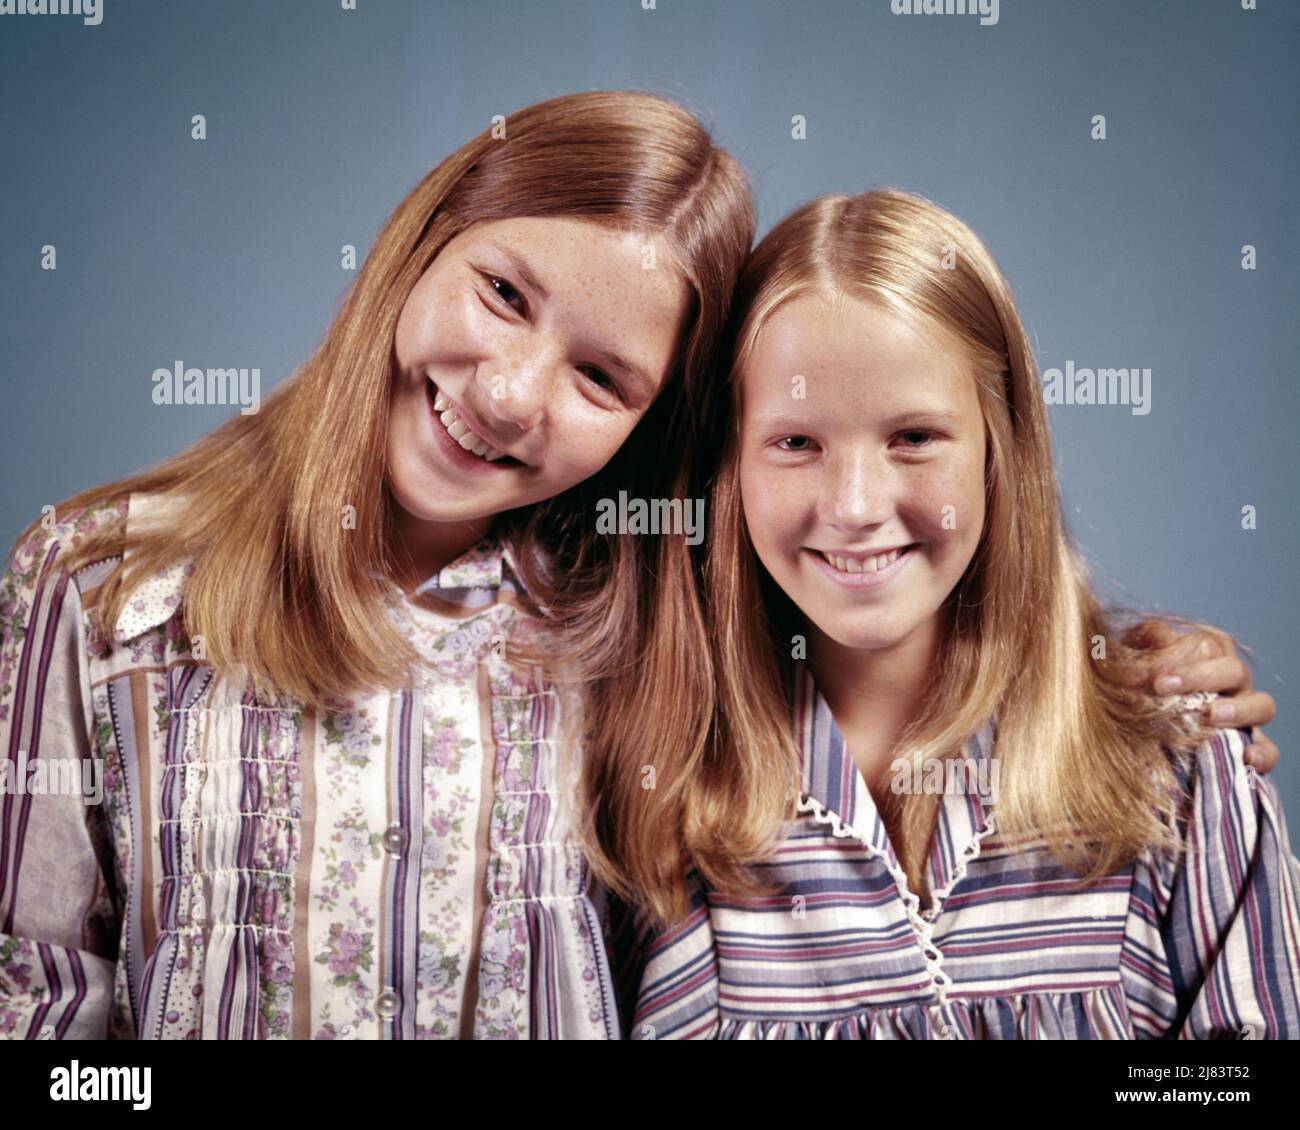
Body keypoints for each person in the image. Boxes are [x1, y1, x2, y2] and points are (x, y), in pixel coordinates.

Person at [0, 89, 756, 1040]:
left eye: (601, 379)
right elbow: (37, 1005)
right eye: (504, 294)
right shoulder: (98, 584)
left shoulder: (636, 640)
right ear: (422, 243)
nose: (511, 395)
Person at [607, 189, 1299, 1039]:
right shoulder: (666, 807)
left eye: (914, 438)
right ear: (731, 467)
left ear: (999, 448)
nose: (856, 505)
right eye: (795, 443)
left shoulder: (1179, 769)